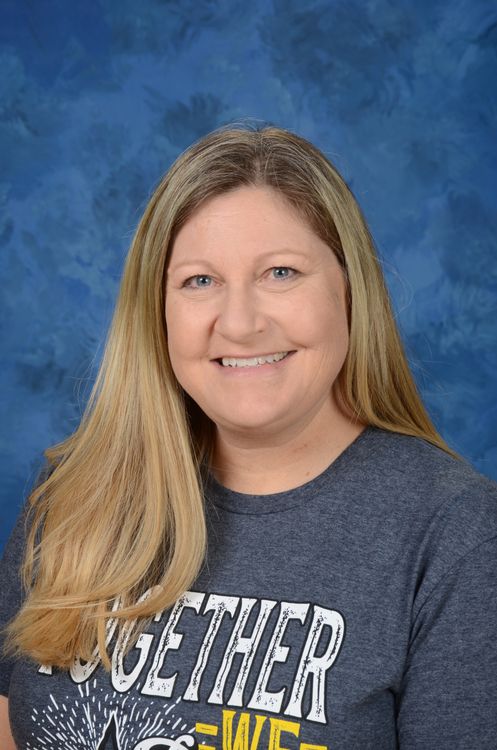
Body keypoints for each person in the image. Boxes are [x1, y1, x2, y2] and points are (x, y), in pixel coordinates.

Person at [1, 124, 496, 750]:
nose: (239, 323)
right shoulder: (76, 495)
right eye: (199, 281)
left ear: (349, 291)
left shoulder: (454, 531)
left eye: (281, 272)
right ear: (157, 310)